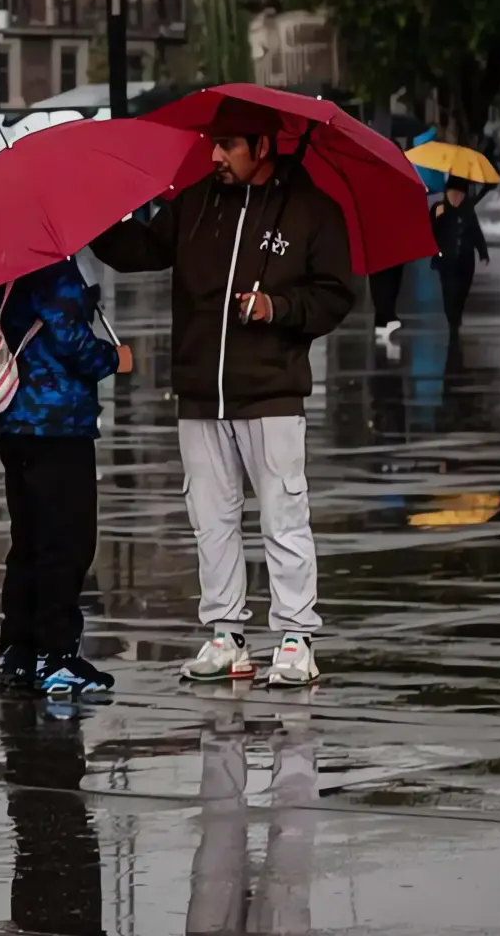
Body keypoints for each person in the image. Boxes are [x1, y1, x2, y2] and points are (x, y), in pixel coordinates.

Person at [89, 104, 354, 688]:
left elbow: (336, 295)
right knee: (211, 521)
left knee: (284, 518)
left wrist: (277, 309)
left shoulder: (312, 211)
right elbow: (141, 251)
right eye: (214, 143)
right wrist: (93, 215)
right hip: (200, 393)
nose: (215, 156)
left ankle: (294, 636)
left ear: (263, 146)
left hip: (272, 392)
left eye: (228, 145)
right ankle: (225, 635)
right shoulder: (197, 203)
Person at [0, 260, 133, 697]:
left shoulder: (5, 267)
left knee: (29, 541)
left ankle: (19, 651)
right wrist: (113, 357)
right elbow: (70, 338)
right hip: (57, 423)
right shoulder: (52, 267)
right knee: (66, 542)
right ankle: (58, 656)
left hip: (15, 421)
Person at [432, 176, 488, 335]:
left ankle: (457, 315)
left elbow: (476, 232)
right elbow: (432, 234)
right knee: (448, 290)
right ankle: (452, 319)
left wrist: (482, 252)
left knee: (462, 290)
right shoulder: (439, 210)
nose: (455, 197)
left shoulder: (468, 211)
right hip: (446, 260)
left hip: (465, 260)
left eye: (459, 194)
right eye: (452, 193)